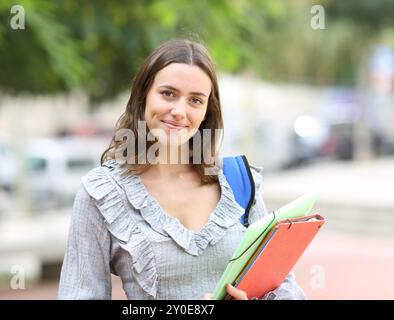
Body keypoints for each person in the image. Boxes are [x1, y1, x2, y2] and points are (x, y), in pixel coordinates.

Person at [58, 39, 306, 300]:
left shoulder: (238, 182)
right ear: (143, 96)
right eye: (168, 94)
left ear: (206, 111)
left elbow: (286, 288)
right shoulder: (102, 194)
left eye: (195, 100)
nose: (179, 111)